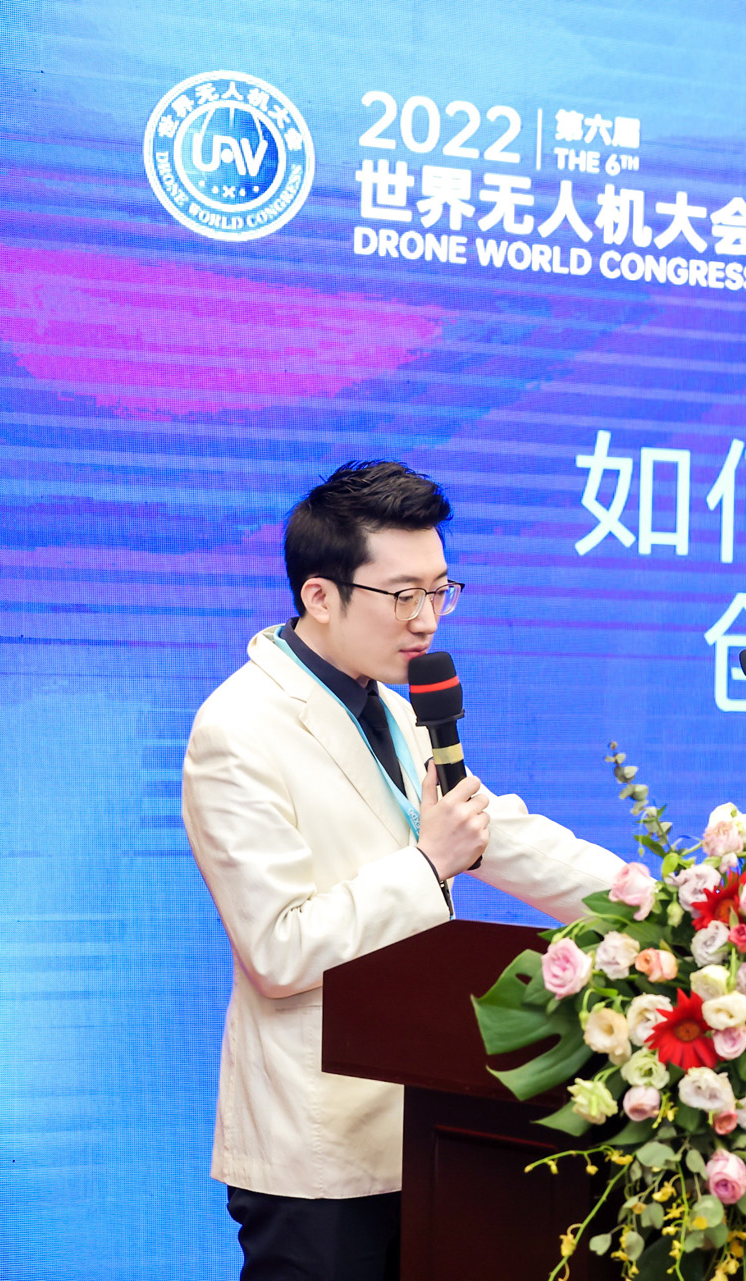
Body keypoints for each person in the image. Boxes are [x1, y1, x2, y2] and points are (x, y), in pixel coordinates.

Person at [182, 461, 628, 1281]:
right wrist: (429, 865)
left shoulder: (396, 704)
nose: (426, 619)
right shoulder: (237, 730)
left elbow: (493, 830)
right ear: (321, 595)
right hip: (318, 1151)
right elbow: (278, 950)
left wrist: (659, 905)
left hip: (427, 1124)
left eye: (440, 590)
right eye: (402, 595)